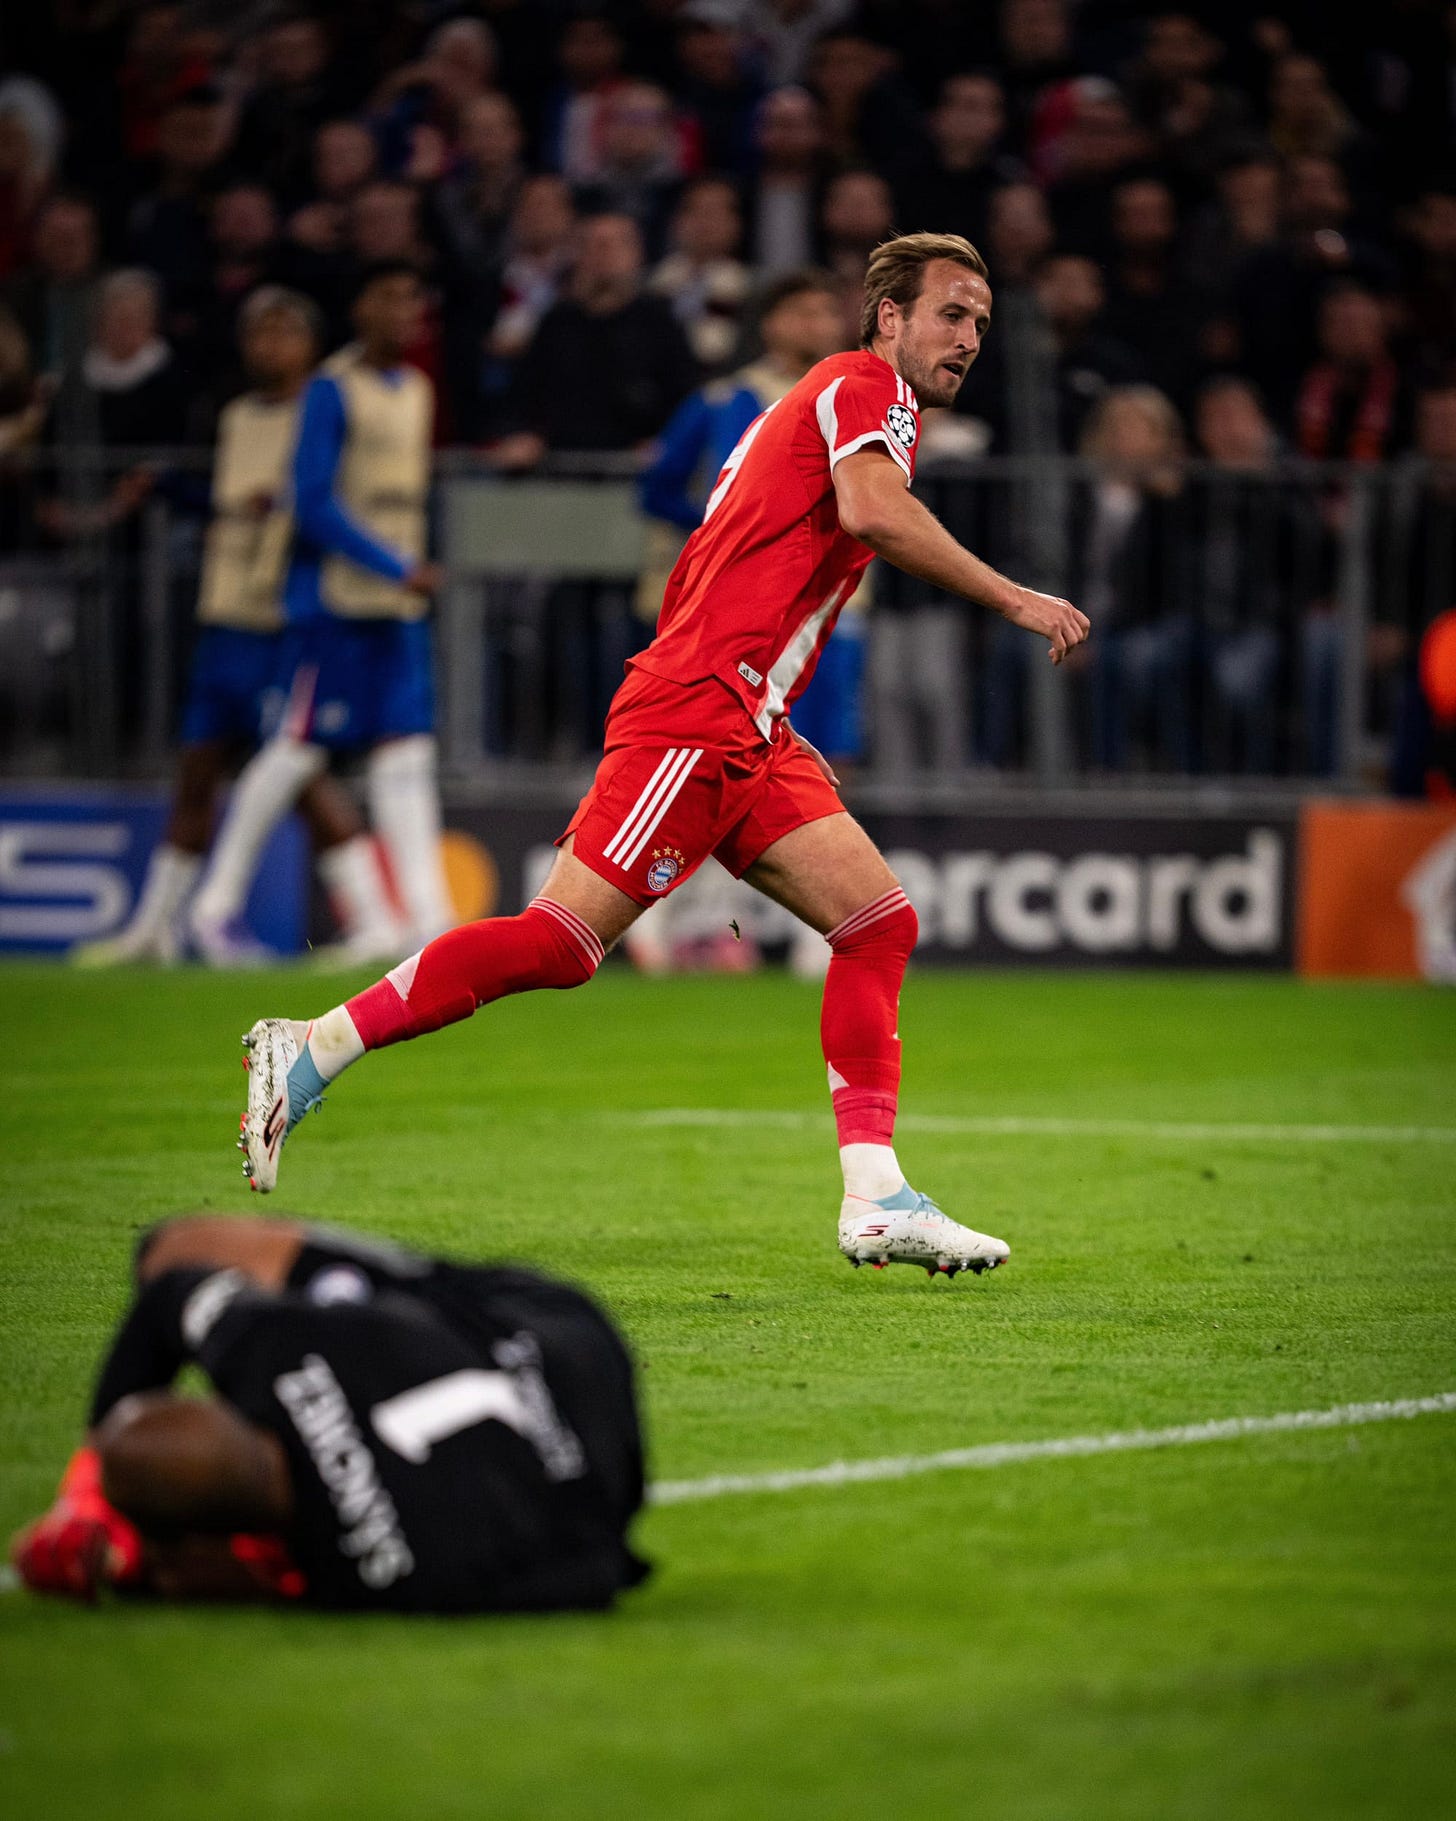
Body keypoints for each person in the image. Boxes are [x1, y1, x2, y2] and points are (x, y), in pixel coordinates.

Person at [240, 231, 1089, 1280]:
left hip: (748, 720)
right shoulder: (865, 386)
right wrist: (1014, 597)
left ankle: (876, 1198)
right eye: (951, 314)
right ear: (889, 317)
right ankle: (312, 1046)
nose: (968, 338)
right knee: (559, 944)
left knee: (878, 922)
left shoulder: (837, 400)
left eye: (981, 324)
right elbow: (872, 513)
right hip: (699, 711)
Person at [10, 1213, 647, 1614]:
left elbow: (594, 1570)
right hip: (561, 1331)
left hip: (592, 1432)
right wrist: (88, 1489)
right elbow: (173, 1280)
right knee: (175, 1247)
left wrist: (113, 1541)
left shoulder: (378, 1572)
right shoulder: (277, 1350)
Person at [72, 289, 399, 967]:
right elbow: (229, 503)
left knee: (297, 773)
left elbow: (323, 504)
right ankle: (153, 929)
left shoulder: (326, 410)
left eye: (284, 331)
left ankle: (368, 918)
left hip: (285, 620)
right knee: (200, 771)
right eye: (258, 332)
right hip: (225, 618)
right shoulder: (237, 415)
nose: (268, 345)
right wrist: (174, 488)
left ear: (310, 344)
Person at [186, 261, 452, 962]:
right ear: (359, 308)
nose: (404, 311)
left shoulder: (416, 388)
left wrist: (407, 572)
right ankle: (214, 908)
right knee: (292, 750)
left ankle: (430, 923)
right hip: (333, 604)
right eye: (388, 296)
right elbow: (312, 502)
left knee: (407, 753)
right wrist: (396, 564)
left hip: (395, 607)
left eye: (412, 298)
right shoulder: (332, 390)